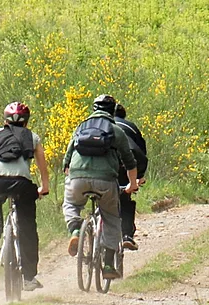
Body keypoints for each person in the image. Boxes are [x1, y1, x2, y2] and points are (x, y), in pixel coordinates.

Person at [62, 94, 138, 279]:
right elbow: (129, 161)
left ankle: (76, 229)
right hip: (106, 181)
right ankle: (109, 264)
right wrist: (132, 185)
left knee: (71, 204)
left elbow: (66, 162)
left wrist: (75, 176)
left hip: (77, 177)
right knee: (112, 218)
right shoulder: (116, 130)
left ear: (94, 109)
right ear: (112, 111)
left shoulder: (80, 127)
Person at [0, 101, 49, 291]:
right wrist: (44, 187)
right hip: (21, 183)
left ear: (5, 120)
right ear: (26, 122)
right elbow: (42, 166)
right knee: (27, 226)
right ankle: (29, 278)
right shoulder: (32, 137)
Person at [114, 104, 148, 251]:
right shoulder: (131, 127)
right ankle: (127, 235)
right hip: (125, 165)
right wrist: (138, 177)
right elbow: (141, 152)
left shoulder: (97, 125)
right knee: (125, 197)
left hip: (95, 168)